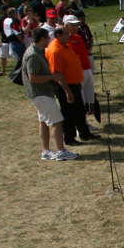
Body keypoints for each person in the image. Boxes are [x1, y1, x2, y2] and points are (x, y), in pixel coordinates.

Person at [22, 27, 78, 161]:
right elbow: (33, 78)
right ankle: (61, 151)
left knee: (43, 122)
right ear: (42, 39)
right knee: (57, 121)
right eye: (48, 37)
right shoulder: (33, 55)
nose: (49, 40)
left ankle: (46, 151)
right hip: (40, 94)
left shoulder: (39, 51)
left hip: (43, 93)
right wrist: (52, 77)